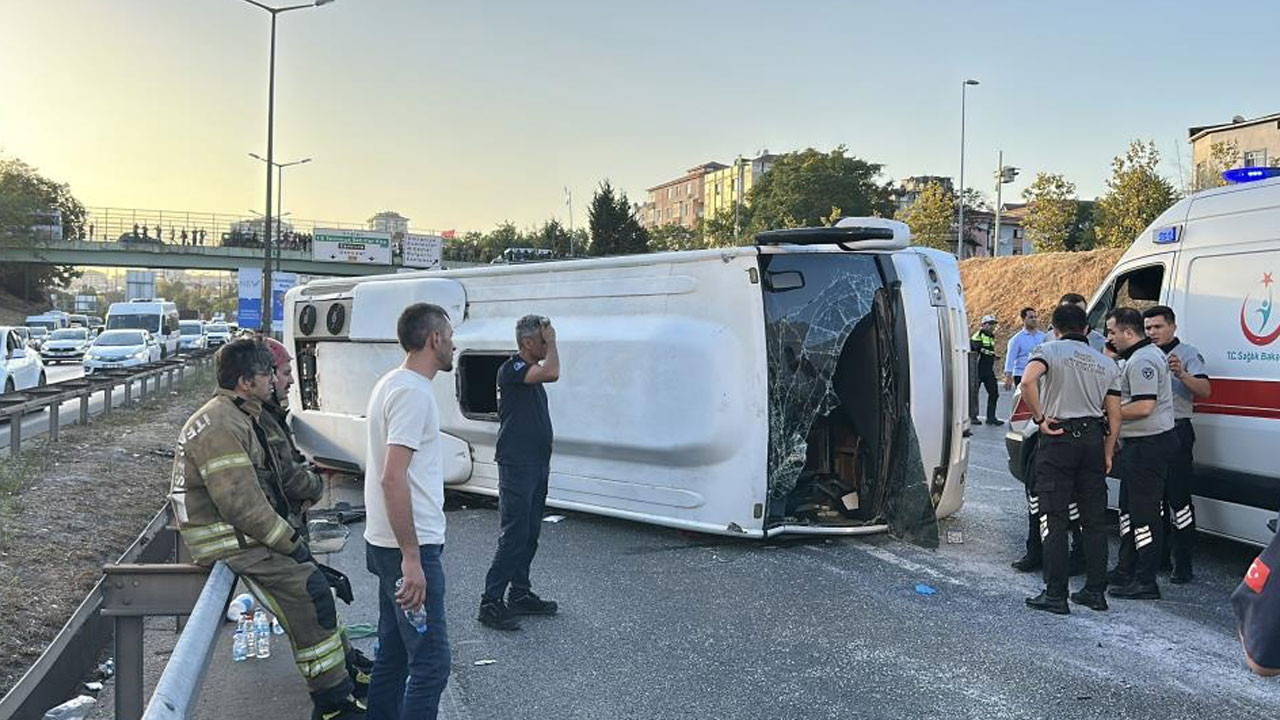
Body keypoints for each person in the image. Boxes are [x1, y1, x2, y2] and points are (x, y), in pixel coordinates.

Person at [169, 340, 364, 720]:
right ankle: (332, 703)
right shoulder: (222, 424)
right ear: (245, 381)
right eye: (266, 375)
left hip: (237, 535)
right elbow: (241, 503)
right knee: (307, 590)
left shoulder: (238, 415)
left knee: (316, 585)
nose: (274, 381)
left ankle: (341, 681)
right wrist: (291, 544)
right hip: (231, 539)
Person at [363, 303, 454, 719]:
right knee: (432, 664)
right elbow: (392, 477)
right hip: (407, 550)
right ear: (434, 338)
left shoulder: (391, 383)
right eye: (450, 336)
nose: (454, 344)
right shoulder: (412, 393)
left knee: (395, 655)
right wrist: (412, 558)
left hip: (387, 545)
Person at [1018, 304, 1122, 615]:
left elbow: (1027, 382)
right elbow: (1114, 415)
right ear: (1087, 330)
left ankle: (1055, 594)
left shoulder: (1048, 350)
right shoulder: (1106, 364)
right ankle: (1095, 592)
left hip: (1059, 437)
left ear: (1055, 328)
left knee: (1055, 517)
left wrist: (1040, 418)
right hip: (1092, 439)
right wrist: (1107, 451)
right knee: (1094, 521)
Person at [479, 315, 561, 630]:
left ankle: (520, 593)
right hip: (517, 464)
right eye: (542, 340)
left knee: (530, 533)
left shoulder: (529, 373)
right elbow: (553, 372)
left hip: (537, 462)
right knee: (514, 534)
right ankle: (490, 601)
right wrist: (552, 344)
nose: (547, 344)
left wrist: (550, 341)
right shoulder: (512, 369)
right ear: (527, 343)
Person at [1105, 307, 1178, 600]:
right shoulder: (1137, 357)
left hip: (1150, 446)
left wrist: (1110, 414)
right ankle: (1126, 569)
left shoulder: (1143, 359)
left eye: (1112, 332)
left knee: (1144, 515)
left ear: (1127, 332)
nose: (1109, 338)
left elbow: (1144, 406)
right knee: (1129, 510)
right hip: (1139, 447)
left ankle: (1146, 580)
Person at [1142, 305, 1211, 584]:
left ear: (1172, 326)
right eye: (1148, 328)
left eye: (1157, 327)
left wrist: (1182, 374)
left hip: (1177, 431)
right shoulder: (1144, 353)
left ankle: (1183, 563)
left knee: (1179, 500)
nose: (1152, 332)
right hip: (1149, 433)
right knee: (1153, 501)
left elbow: (1205, 390)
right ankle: (1158, 558)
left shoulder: (1188, 353)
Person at [969, 315, 1001, 425]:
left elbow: (986, 350)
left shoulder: (991, 336)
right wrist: (989, 354)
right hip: (977, 370)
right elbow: (976, 350)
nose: (992, 326)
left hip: (988, 370)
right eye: (990, 324)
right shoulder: (978, 335)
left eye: (993, 324)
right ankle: (972, 417)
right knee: (973, 394)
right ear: (983, 325)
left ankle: (991, 418)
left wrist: (993, 356)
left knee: (994, 393)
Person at [1004, 307, 1046, 389]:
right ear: (1023, 320)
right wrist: (1008, 376)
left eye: (1035, 317)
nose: (1034, 319)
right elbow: (1010, 358)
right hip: (1022, 375)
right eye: (1030, 317)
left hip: (1040, 375)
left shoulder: (1043, 337)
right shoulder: (1016, 339)